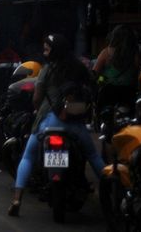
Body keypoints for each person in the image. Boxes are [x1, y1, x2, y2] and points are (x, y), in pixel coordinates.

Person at [8, 33, 104, 217]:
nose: (44, 52)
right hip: (75, 124)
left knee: (28, 156)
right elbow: (92, 87)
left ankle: (17, 199)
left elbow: (37, 98)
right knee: (93, 155)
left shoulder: (47, 69)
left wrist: (38, 109)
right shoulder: (79, 67)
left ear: (54, 50)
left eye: (46, 49)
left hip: (49, 121)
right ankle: (113, 191)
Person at [93, 25, 140, 111]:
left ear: (114, 37)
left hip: (108, 92)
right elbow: (137, 74)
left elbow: (95, 73)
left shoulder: (106, 52)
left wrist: (102, 80)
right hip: (128, 93)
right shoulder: (135, 54)